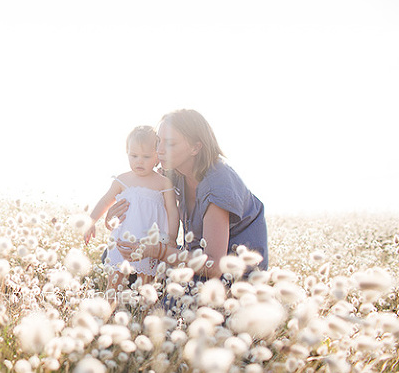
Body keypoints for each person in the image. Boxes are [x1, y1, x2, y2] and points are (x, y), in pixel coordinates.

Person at [109, 109, 268, 280]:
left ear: (195, 147)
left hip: (234, 277)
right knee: (116, 254)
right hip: (194, 258)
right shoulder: (172, 172)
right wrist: (114, 218)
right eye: (158, 141)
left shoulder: (218, 186)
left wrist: (158, 251)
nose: (159, 150)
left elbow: (214, 267)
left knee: (172, 301)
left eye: (170, 144)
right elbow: (143, 203)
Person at [84, 126, 179, 290]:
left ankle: (144, 313)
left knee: (146, 286)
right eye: (133, 155)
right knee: (114, 282)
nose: (139, 161)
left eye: (146, 156)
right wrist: (91, 221)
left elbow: (172, 211)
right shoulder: (122, 180)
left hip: (149, 244)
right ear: (127, 153)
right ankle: (107, 311)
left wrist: (171, 237)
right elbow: (106, 200)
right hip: (122, 240)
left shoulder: (163, 183)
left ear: (157, 156)